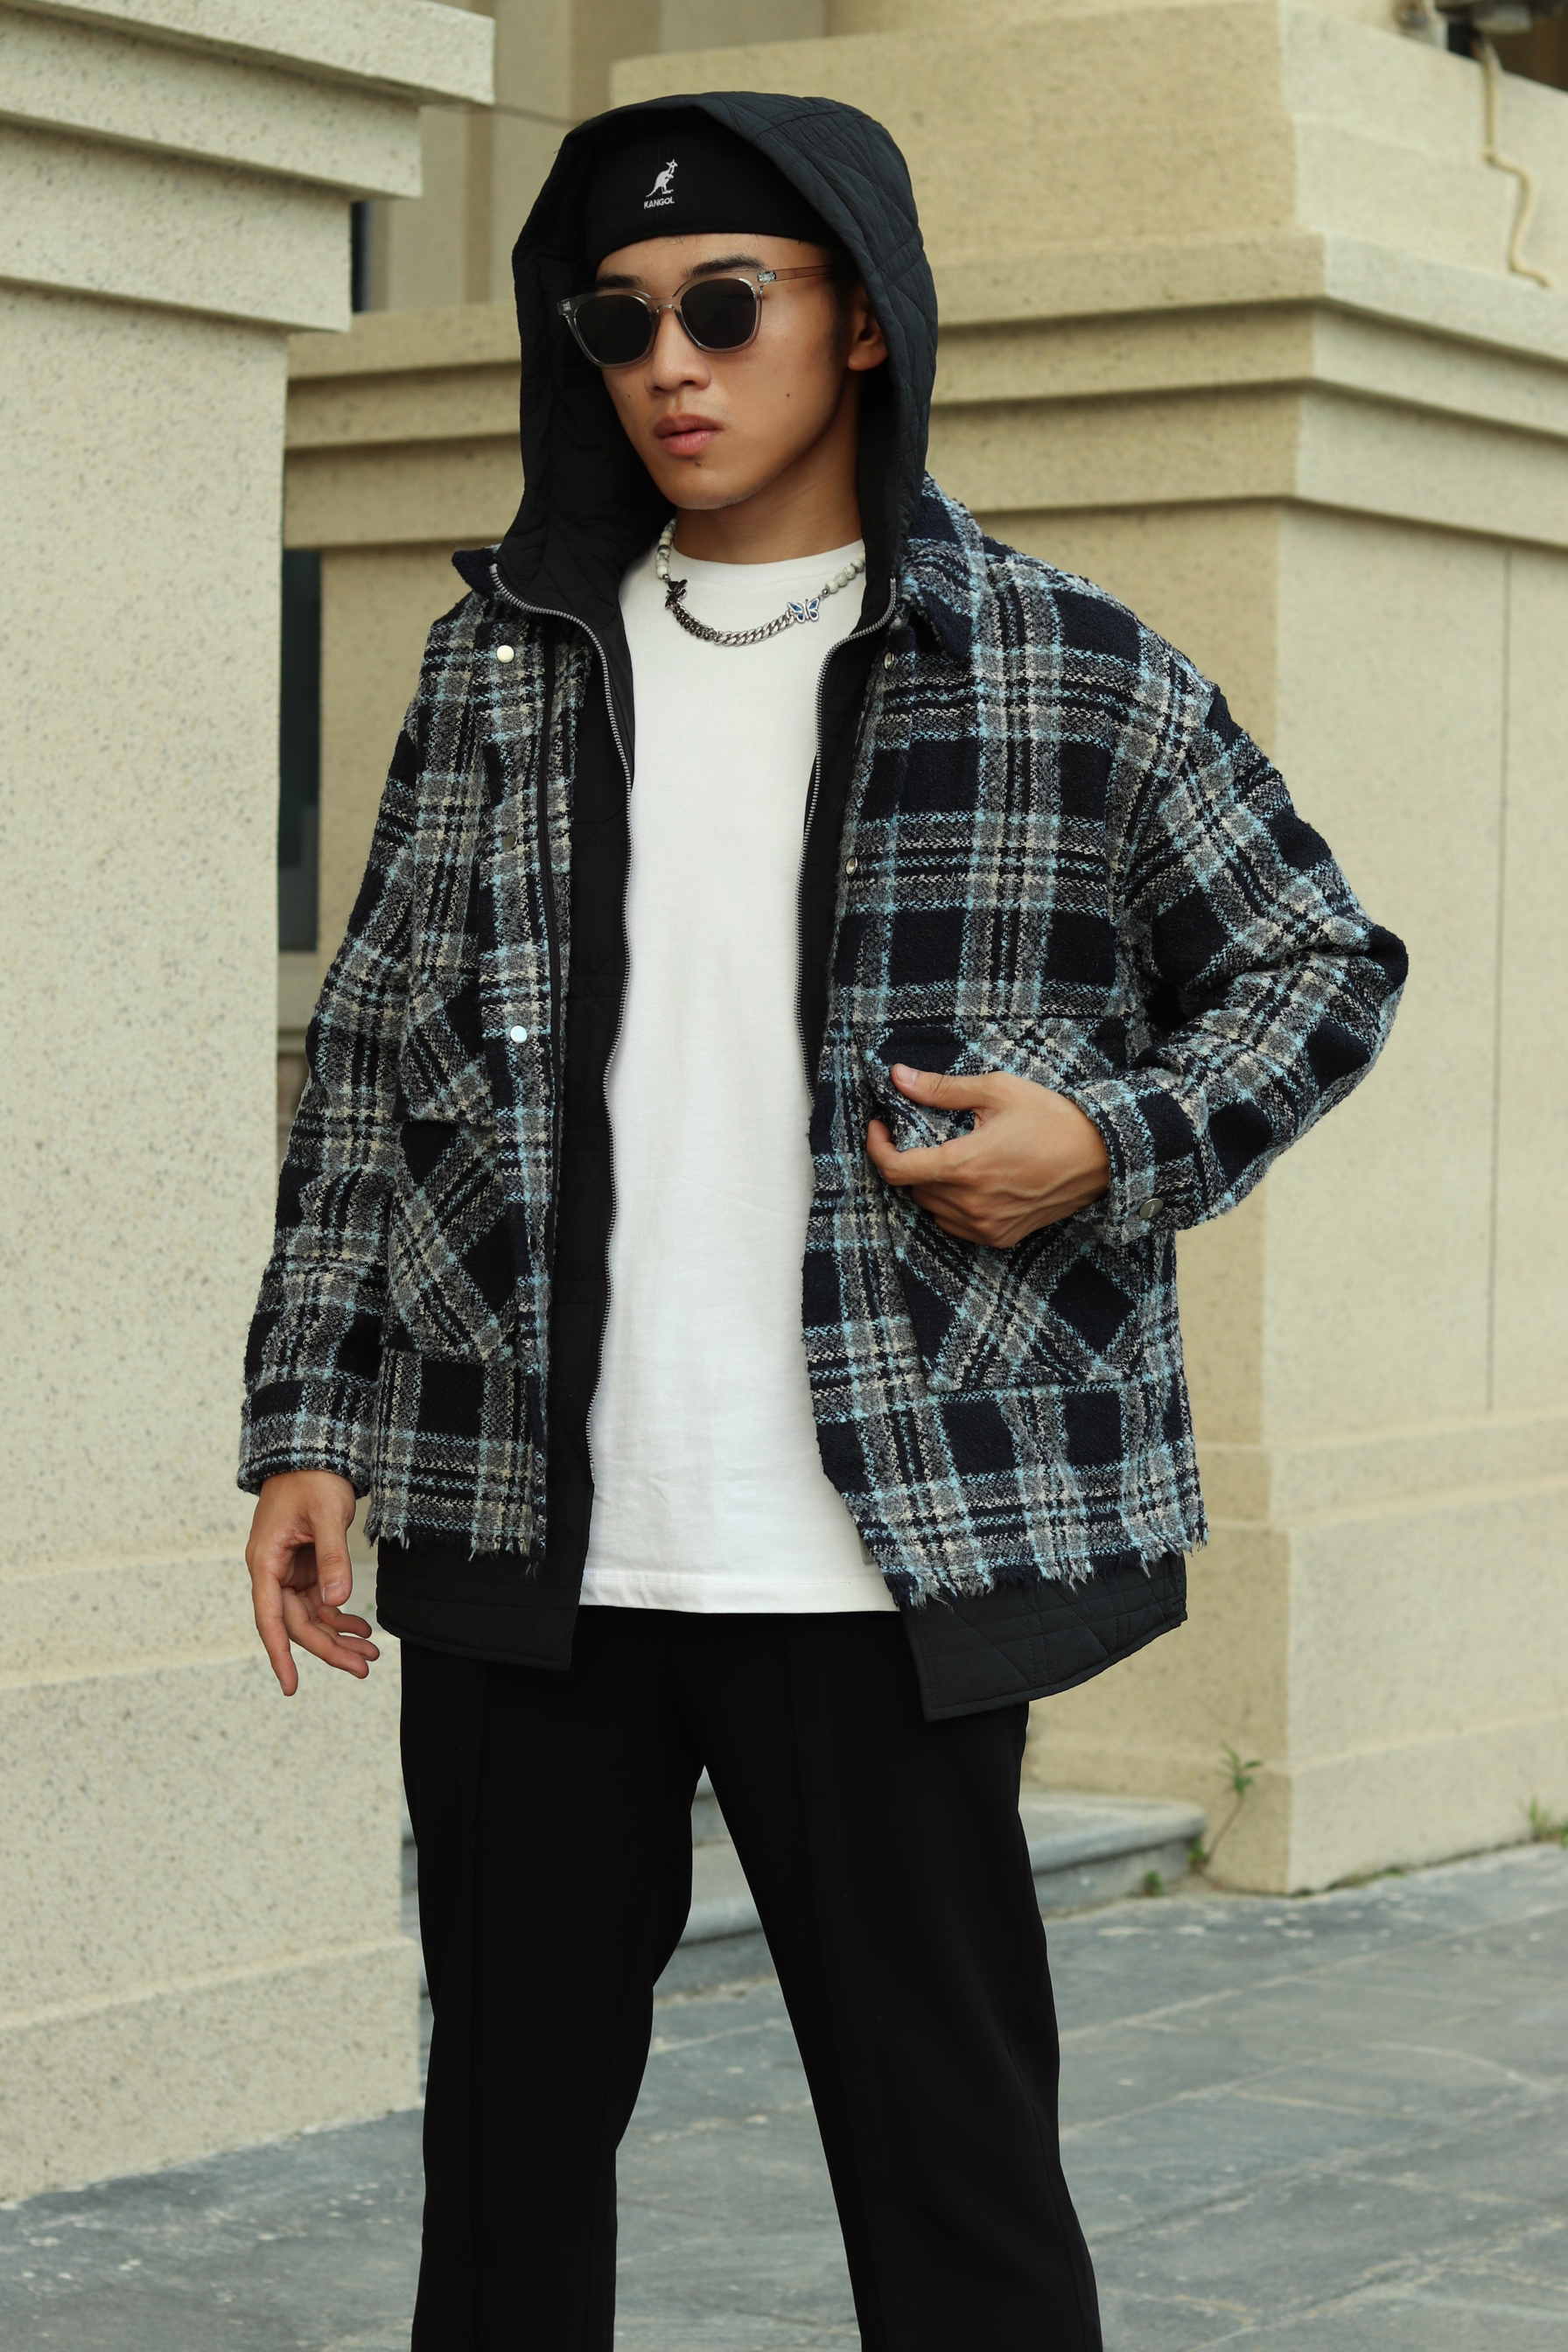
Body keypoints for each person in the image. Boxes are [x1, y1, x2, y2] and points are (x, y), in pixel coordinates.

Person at [240, 94, 1406, 2352]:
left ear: (861, 322)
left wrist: (1112, 1139)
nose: (669, 362)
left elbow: (1315, 965)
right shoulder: (500, 668)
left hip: (881, 1559)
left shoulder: (1060, 662)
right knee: (505, 2177)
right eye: (617, 321)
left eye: (724, 304)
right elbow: (372, 1061)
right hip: (525, 1544)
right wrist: (307, 1424)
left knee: (954, 2187)